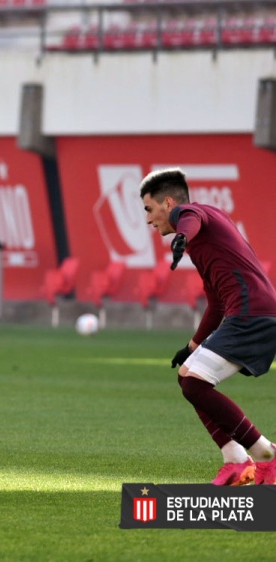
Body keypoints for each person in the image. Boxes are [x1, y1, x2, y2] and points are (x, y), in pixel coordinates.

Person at [140, 167, 276, 486]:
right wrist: (191, 346)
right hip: (249, 313)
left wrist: (182, 236)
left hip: (253, 314)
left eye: (149, 209)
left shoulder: (192, 214)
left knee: (195, 383)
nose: (148, 219)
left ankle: (266, 454)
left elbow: (190, 217)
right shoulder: (204, 242)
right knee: (187, 376)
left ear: (168, 203)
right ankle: (235, 459)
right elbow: (216, 304)